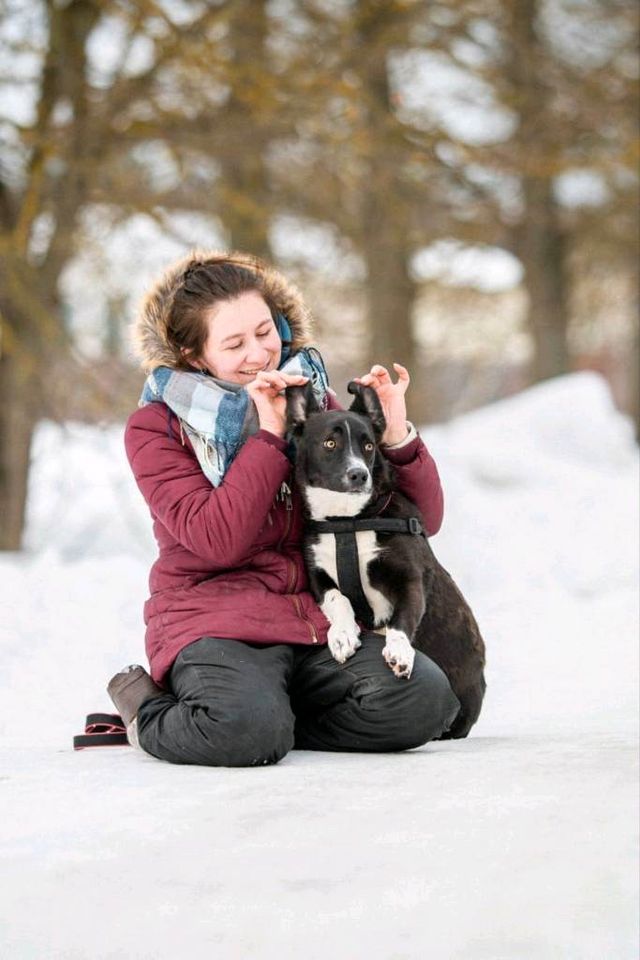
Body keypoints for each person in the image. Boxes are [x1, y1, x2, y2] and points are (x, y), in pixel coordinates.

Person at [108, 250, 460, 765]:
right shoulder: (158, 428)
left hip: (313, 618)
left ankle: (272, 718)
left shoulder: (313, 407)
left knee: (422, 699)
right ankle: (149, 712)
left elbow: (420, 521)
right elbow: (217, 538)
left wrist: (395, 433)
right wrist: (270, 435)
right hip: (215, 619)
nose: (260, 354)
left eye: (264, 331)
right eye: (234, 343)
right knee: (244, 729)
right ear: (193, 355)